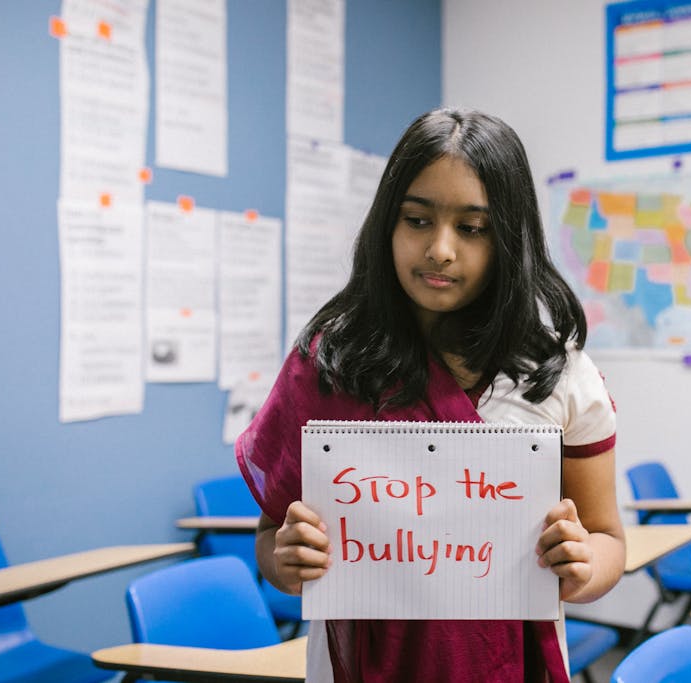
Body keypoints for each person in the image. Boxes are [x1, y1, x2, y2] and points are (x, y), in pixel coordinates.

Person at [237, 107, 625, 682]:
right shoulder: (328, 365)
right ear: (386, 225)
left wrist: (585, 566)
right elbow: (271, 536)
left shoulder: (557, 374)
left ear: (509, 239)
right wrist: (286, 560)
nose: (441, 249)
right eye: (417, 220)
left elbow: (608, 538)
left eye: (472, 229)